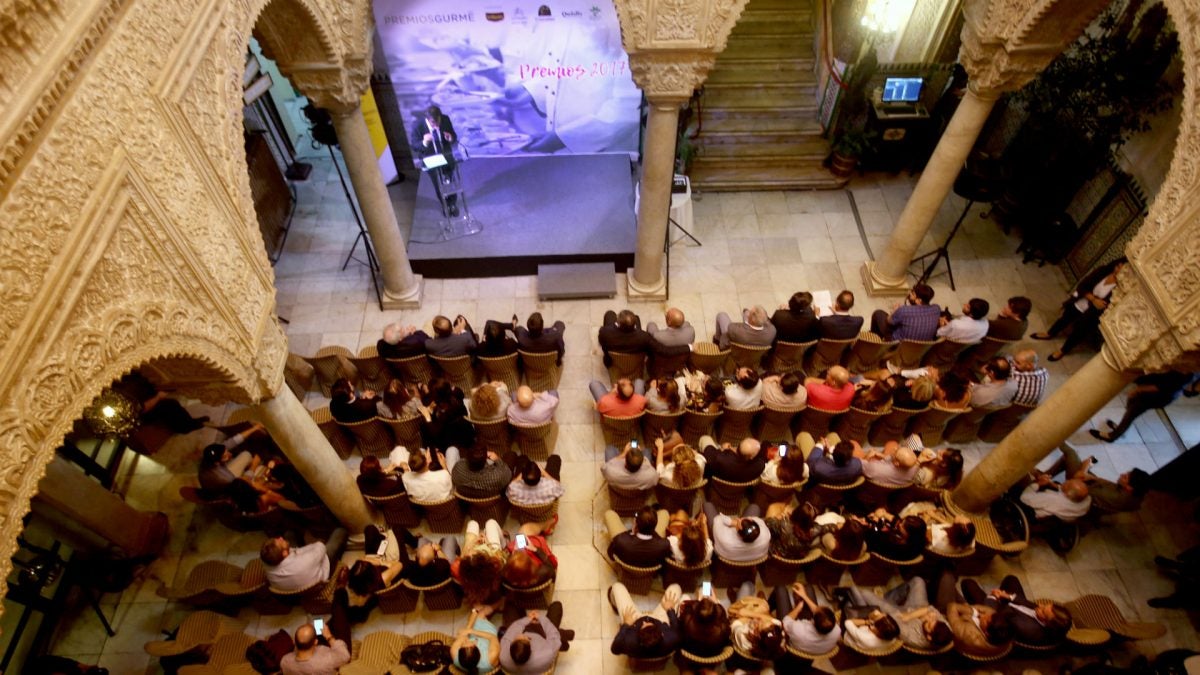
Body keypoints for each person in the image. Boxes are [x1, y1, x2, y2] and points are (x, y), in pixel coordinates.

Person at [1032, 257, 1126, 360]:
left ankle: (1063, 350)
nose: (1117, 270)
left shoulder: (1121, 288)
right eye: (1117, 266)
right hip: (1081, 301)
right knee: (1065, 318)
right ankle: (1049, 333)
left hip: (1093, 313)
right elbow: (1082, 286)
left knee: (1079, 332)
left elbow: (1106, 306)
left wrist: (1097, 302)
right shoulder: (1102, 271)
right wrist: (1093, 299)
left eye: (1122, 269)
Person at [1089, 370, 1199, 442]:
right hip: (1162, 391)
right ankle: (1119, 429)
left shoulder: (1187, 374)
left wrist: (1138, 390)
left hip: (1159, 395)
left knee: (1132, 411)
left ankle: (1112, 436)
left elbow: (1161, 387)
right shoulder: (1190, 370)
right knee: (1131, 406)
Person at [845, 577, 951, 651]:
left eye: (928, 625)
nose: (930, 620)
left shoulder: (912, 638)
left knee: (864, 594)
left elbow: (890, 620)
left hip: (896, 615)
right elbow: (928, 608)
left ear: (929, 637)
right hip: (912, 611)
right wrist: (914, 615)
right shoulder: (943, 628)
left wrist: (922, 615)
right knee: (918, 581)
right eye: (933, 620)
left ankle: (882, 601)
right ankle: (887, 598)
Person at [961, 575, 1072, 646]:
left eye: (1043, 611)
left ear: (1046, 624)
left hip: (999, 615)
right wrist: (1009, 597)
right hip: (1010, 610)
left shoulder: (1025, 628)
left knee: (967, 584)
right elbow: (1027, 604)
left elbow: (997, 616)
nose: (1040, 605)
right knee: (1011, 579)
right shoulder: (1041, 613)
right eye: (1045, 606)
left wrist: (994, 597)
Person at [1041, 443, 1152, 513]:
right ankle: (1046, 474)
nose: (1122, 474)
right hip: (1093, 495)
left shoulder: (1110, 496)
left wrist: (1085, 468)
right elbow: (1108, 484)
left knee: (1070, 453)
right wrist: (1093, 477)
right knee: (1084, 463)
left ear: (1129, 488)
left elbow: (1077, 482)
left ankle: (1055, 438)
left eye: (1126, 477)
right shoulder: (1135, 498)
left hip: (1079, 495)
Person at [935, 571, 1013, 658]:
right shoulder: (998, 627)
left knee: (946, 577)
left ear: (986, 633)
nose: (985, 615)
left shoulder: (969, 635)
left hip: (948, 617)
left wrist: (973, 611)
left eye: (986, 620)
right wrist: (973, 611)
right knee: (951, 579)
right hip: (965, 612)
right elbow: (989, 610)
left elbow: (951, 606)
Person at [608, 582, 681, 658]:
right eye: (648, 624)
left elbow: (614, 650)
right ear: (662, 634)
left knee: (617, 587)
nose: (644, 622)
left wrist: (626, 624)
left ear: (637, 637)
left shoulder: (630, 641)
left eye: (643, 625)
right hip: (660, 619)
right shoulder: (672, 638)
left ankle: (616, 607)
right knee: (676, 587)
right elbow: (676, 627)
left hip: (634, 620)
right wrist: (670, 610)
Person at [260, 529, 348, 591]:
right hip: (322, 570)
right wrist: (316, 543)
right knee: (340, 532)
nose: (280, 538)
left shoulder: (267, 562)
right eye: (280, 541)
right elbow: (320, 547)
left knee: (289, 534)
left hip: (297, 578)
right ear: (284, 554)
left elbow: (296, 551)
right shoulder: (305, 561)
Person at [412, 105, 460, 216]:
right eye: (434, 123)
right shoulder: (417, 126)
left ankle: (452, 203)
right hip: (430, 159)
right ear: (427, 119)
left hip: (446, 156)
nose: (437, 125)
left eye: (438, 121)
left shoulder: (445, 119)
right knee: (438, 183)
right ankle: (445, 205)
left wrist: (451, 138)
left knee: (450, 180)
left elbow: (454, 136)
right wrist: (424, 142)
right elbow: (414, 146)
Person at [597, 309, 689, 366]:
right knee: (636, 317)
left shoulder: (604, 333)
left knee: (609, 314)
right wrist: (689, 347)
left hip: (612, 361)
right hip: (636, 360)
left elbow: (603, 345)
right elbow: (665, 351)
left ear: (618, 323)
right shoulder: (644, 337)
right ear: (634, 326)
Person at [197, 421, 268, 492]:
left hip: (222, 473)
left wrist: (255, 428)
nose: (229, 454)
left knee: (246, 454)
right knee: (260, 471)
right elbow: (242, 483)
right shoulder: (225, 477)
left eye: (226, 451)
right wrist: (254, 465)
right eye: (225, 456)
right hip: (228, 489)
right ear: (217, 463)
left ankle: (249, 468)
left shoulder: (209, 458)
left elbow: (235, 440)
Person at [453, 519, 509, 606]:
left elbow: (465, 553)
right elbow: (500, 556)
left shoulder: (459, 569)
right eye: (476, 553)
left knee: (472, 523)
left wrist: (473, 542)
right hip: (493, 551)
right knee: (490, 523)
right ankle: (504, 542)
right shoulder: (495, 564)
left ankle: (489, 534)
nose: (472, 550)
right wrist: (487, 543)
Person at [775, 583, 841, 654]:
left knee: (780, 589)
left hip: (797, 638)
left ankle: (769, 604)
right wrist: (804, 596)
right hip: (811, 646)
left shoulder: (797, 629)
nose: (816, 608)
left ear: (812, 621)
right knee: (809, 588)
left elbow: (786, 621)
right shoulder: (837, 631)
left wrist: (798, 608)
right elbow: (817, 611)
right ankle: (799, 597)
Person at [499, 604, 566, 674]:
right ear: (531, 649)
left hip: (525, 628)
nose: (521, 635)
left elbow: (512, 629)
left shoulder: (503, 657)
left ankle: (565, 634)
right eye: (524, 638)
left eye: (517, 638)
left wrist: (529, 618)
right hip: (542, 635)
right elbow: (554, 635)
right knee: (556, 606)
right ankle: (565, 635)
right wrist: (540, 618)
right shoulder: (547, 653)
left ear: (510, 645)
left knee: (511, 604)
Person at [727, 582, 786, 660]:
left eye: (761, 624)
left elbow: (736, 620)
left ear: (757, 634)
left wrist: (749, 614)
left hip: (738, 620)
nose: (762, 620)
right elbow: (776, 621)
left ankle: (735, 600)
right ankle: (762, 601)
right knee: (763, 607)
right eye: (768, 622)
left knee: (747, 585)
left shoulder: (742, 636)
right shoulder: (778, 635)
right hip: (749, 616)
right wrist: (754, 614)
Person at [605, 506, 672, 568]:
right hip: (649, 568)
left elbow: (611, 554)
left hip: (627, 561)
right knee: (664, 512)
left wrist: (632, 532)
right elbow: (664, 560)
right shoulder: (664, 545)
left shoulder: (620, 540)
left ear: (636, 524)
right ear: (655, 526)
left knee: (609, 514)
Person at [871, 283, 941, 341]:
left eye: (913, 294)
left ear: (919, 300)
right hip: (917, 348)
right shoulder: (936, 309)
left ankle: (875, 341)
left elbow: (889, 321)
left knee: (878, 314)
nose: (909, 294)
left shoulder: (904, 311)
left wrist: (895, 311)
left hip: (897, 344)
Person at [280, 620, 350, 675]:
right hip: (336, 651)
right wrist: (329, 636)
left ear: (295, 643)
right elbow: (345, 656)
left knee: (329, 623)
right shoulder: (327, 661)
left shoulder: (285, 662)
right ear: (315, 642)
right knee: (339, 614)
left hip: (316, 655)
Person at [676, 588, 730, 657]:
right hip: (712, 654)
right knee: (724, 602)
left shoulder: (687, 622)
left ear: (696, 610)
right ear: (716, 615)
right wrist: (716, 602)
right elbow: (723, 617)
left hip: (691, 650)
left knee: (685, 597)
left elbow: (687, 610)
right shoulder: (723, 629)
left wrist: (698, 600)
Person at [1019, 472, 1092, 522]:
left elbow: (1024, 497)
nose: (1067, 480)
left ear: (1067, 494)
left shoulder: (1052, 499)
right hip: (1057, 514)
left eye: (1068, 483)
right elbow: (1065, 492)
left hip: (1030, 511)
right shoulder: (1086, 500)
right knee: (1055, 483)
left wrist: (1038, 484)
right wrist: (1051, 483)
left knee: (1024, 476)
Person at [451, 608, 500, 674]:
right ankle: (500, 603)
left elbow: (463, 635)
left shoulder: (454, 654)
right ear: (478, 650)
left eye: (463, 644)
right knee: (482, 612)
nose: (466, 640)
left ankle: (478, 609)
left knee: (475, 611)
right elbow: (492, 637)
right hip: (488, 635)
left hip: (473, 634)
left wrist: (468, 629)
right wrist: (472, 631)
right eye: (470, 642)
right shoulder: (491, 657)